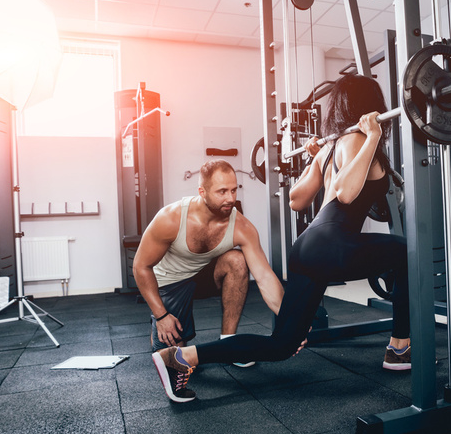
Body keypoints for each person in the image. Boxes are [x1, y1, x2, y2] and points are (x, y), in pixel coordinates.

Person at [151, 74, 411, 403]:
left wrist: (313, 157)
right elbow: (346, 195)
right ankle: (400, 347)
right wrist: (373, 136)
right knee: (405, 252)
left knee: (282, 345)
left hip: (306, 246)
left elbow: (297, 200)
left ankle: (181, 357)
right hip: (333, 244)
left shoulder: (329, 148)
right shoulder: (362, 140)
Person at [133, 159, 284, 367]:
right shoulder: (171, 218)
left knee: (237, 260)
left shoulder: (241, 226)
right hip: (170, 282)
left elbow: (265, 276)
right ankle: (158, 321)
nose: (230, 198)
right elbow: (141, 267)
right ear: (202, 192)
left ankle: (229, 345)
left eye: (233, 190)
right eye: (222, 192)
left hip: (203, 275)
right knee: (173, 358)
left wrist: (290, 320)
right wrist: (161, 316)